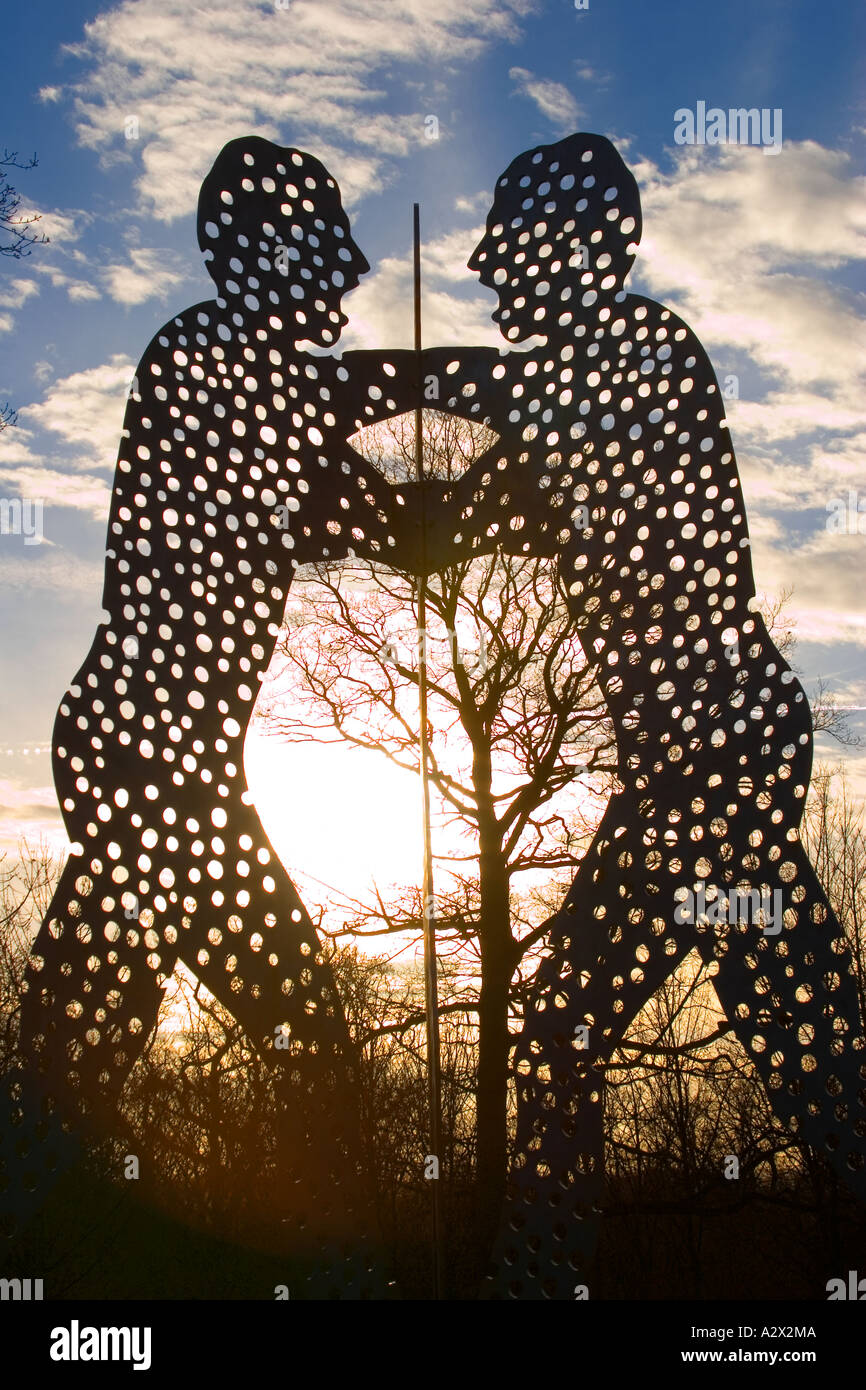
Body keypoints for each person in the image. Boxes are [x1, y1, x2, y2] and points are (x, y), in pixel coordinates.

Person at [410, 131, 865, 1298]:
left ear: (566, 248)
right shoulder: (597, 370)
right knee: (657, 1029)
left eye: (506, 242)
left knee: (778, 1038)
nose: (482, 261)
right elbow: (471, 444)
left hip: (705, 765)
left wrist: (421, 495)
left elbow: (463, 422)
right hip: (692, 761)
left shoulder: (627, 363)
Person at [6, 136, 412, 1295]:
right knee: (306, 1045)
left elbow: (353, 453)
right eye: (322, 257)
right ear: (269, 258)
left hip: (169, 765)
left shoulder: (252, 374)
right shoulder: (212, 363)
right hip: (155, 765)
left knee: (77, 1056)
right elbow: (348, 468)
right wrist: (458, 482)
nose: (342, 283)